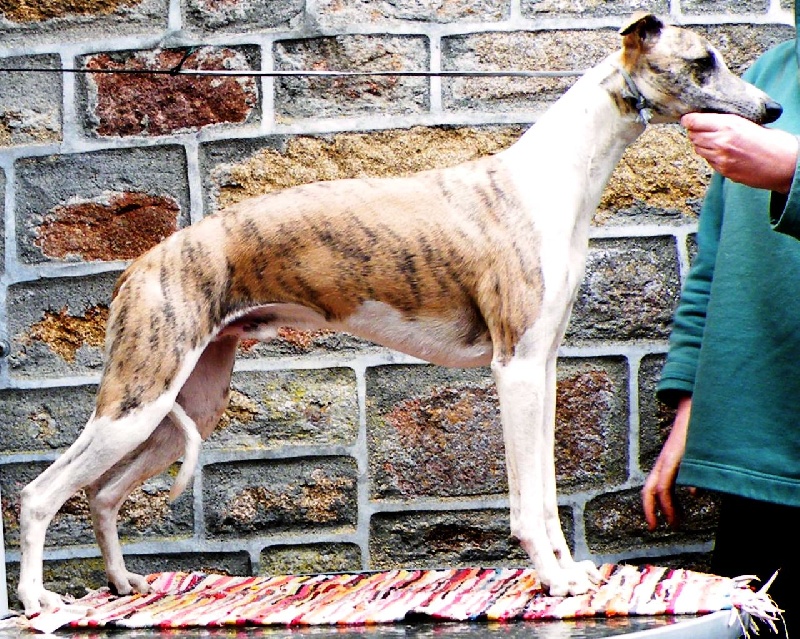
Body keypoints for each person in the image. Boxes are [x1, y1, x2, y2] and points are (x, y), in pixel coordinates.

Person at [641, 5, 800, 636]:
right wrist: (692, 409)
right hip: (761, 465)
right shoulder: (767, 75)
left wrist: (792, 170)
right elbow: (717, 255)